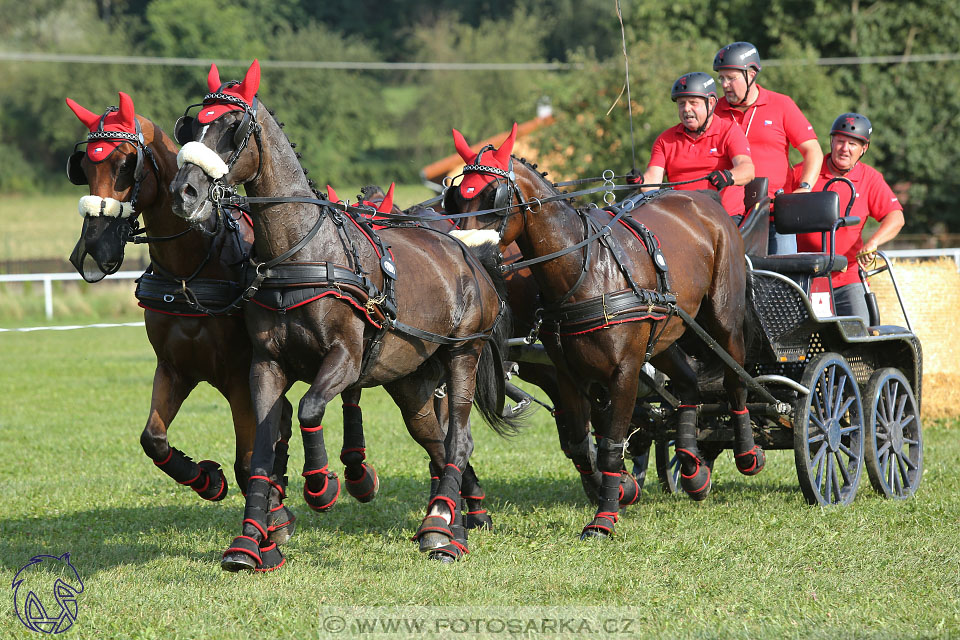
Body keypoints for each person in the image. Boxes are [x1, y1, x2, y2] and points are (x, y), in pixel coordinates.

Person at [790, 112, 904, 322]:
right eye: (840, 141)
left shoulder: (870, 178)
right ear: (831, 141)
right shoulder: (803, 172)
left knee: (861, 334)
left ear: (864, 148)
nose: (845, 148)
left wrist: (873, 243)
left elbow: (895, 217)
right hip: (803, 277)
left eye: (853, 144)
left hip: (848, 276)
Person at [713, 41, 823, 254]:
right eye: (721, 78)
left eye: (731, 78)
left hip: (775, 212)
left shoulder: (781, 105)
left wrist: (805, 187)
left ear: (752, 74)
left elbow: (813, 151)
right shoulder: (714, 111)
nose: (725, 84)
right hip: (727, 215)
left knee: (782, 279)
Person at [638, 72, 754, 218]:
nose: (686, 109)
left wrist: (729, 177)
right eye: (681, 104)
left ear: (711, 103)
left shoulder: (730, 131)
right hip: (681, 218)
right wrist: (640, 182)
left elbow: (747, 169)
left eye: (693, 103)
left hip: (723, 218)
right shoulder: (665, 139)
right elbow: (652, 184)